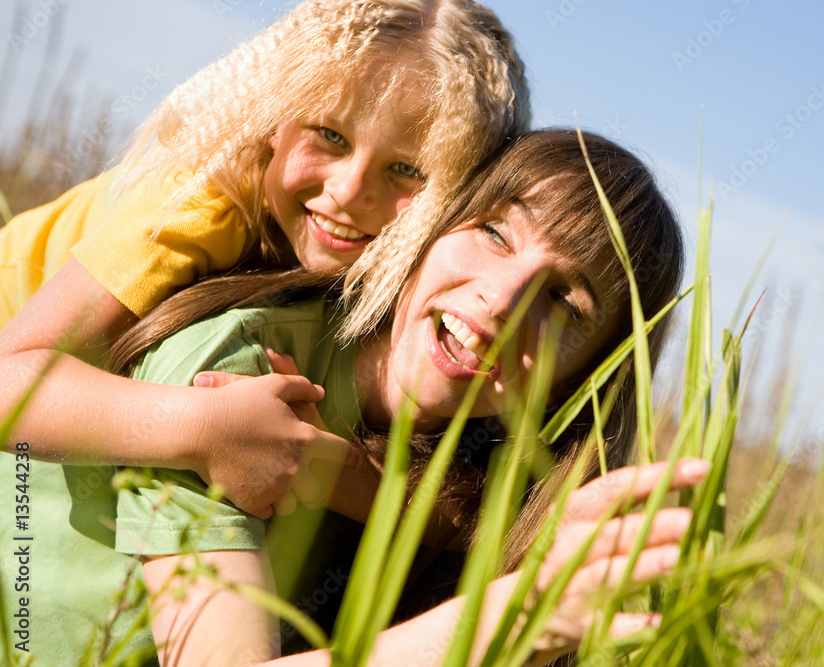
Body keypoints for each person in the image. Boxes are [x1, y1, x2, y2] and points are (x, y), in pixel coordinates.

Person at [0, 130, 688, 665]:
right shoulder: (240, 375)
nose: (504, 300)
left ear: (582, 381)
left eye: (565, 302)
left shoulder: (473, 495)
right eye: (495, 231)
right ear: (432, 223)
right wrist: (505, 617)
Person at [0, 0, 530, 518]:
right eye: (330, 135)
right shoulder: (202, 204)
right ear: (276, 116)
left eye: (408, 170)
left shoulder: (424, 278)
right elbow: (8, 385)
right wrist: (201, 428)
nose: (349, 191)